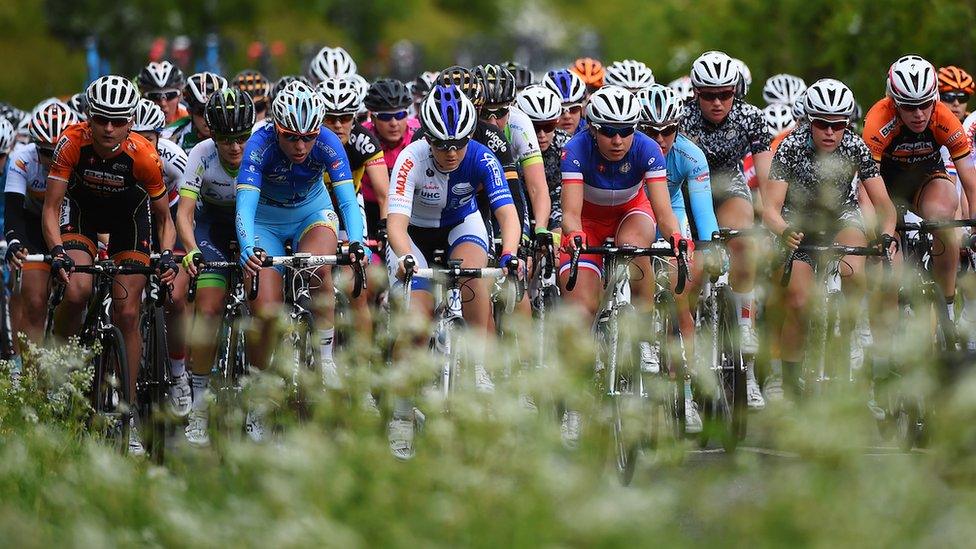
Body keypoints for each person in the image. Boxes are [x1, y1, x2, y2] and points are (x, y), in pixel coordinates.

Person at [43, 75, 179, 455]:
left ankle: (128, 412)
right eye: (101, 118)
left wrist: (166, 255)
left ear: (131, 121)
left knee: (129, 310)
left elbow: (165, 220)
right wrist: (56, 251)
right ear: (89, 116)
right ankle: (60, 369)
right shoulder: (71, 142)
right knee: (76, 290)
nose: (108, 128)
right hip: (82, 216)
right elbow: (52, 208)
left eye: (118, 120)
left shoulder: (144, 156)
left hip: (128, 221)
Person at [385, 84, 521, 459]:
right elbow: (395, 224)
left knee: (475, 277)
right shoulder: (410, 159)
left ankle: (480, 367)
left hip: (463, 225)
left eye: (458, 143)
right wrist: (405, 258)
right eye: (442, 144)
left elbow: (507, 214)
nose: (450, 152)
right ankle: (400, 414)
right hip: (414, 236)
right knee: (416, 323)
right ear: (427, 137)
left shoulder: (482, 156)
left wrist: (509, 253)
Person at [235, 81, 366, 439]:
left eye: (308, 137)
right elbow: (244, 208)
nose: (301, 146)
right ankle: (260, 394)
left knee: (320, 264)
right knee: (264, 309)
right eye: (291, 137)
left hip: (311, 213)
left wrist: (355, 242)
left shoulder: (328, 141)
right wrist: (247, 245)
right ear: (276, 128)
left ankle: (325, 358)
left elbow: (348, 201)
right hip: (265, 221)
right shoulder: (258, 146)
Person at [765, 78, 897, 398]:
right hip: (799, 224)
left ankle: (853, 333)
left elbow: (884, 207)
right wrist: (783, 231)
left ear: (846, 124)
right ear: (810, 122)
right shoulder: (791, 146)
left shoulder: (854, 146)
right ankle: (791, 380)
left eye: (838, 125)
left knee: (855, 264)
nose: (830, 132)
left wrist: (885, 236)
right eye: (822, 124)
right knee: (797, 302)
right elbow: (770, 208)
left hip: (841, 216)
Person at [863, 55, 976, 323]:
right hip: (884, 188)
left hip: (925, 182)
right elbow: (866, 189)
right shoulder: (878, 121)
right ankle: (882, 326)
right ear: (893, 102)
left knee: (945, 221)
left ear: (934, 99)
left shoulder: (944, 117)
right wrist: (877, 235)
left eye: (925, 105)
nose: (919, 114)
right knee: (888, 261)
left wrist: (973, 229)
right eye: (909, 107)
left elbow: (970, 181)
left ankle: (947, 306)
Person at [638, 83, 721, 421]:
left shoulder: (689, 154)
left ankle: (684, 390)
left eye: (668, 130)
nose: (660, 139)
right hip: (636, 211)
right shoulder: (630, 150)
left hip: (671, 214)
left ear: (678, 128)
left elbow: (703, 211)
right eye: (652, 131)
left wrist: (711, 244)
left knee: (680, 293)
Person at [682, 50, 772, 359]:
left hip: (727, 185)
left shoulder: (751, 117)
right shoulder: (681, 117)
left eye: (725, 94)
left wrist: (772, 212)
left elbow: (766, 174)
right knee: (688, 274)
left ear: (735, 91)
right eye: (709, 95)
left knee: (745, 242)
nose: (717, 102)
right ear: (696, 93)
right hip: (687, 190)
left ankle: (744, 321)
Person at [178, 88, 255, 446]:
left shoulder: (261, 152)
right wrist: (192, 250)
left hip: (253, 225)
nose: (235, 147)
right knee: (208, 309)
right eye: (225, 139)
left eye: (241, 138)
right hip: (210, 228)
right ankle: (198, 406)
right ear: (212, 134)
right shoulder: (201, 154)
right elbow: (185, 213)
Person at [132, 98, 192, 416]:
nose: (142, 144)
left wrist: (169, 254)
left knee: (176, 295)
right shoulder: (120, 154)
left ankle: (179, 373)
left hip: (169, 217)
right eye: (136, 136)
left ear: (161, 136)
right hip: (130, 220)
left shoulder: (174, 158)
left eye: (149, 138)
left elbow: (183, 213)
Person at [4, 101, 76, 345]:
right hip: (34, 226)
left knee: (75, 299)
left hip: (71, 225)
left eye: (59, 151)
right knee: (34, 301)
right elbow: (13, 210)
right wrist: (14, 241)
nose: (54, 158)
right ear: (35, 146)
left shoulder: (82, 158)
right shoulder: (21, 160)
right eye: (46, 152)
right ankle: (32, 380)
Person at [516, 85, 570, 232]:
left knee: (556, 238)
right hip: (518, 204)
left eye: (549, 126)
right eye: (534, 127)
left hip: (556, 204)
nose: (541, 134)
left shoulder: (566, 144)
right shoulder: (510, 143)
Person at [162, 71, 227, 153]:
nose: (207, 118)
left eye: (214, 111)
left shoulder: (236, 132)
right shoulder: (169, 136)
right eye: (201, 111)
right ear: (189, 111)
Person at [542, 69, 587, 136]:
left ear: (581, 110)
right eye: (560, 110)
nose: (567, 116)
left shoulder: (592, 133)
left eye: (574, 109)